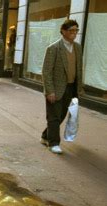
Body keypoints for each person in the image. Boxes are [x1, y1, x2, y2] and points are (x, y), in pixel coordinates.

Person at [41, 19, 83, 155]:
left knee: (62, 115)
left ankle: (45, 135)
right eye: (71, 30)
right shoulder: (53, 48)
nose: (74, 33)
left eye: (76, 30)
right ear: (63, 31)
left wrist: (79, 87)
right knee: (53, 116)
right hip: (55, 88)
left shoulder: (77, 47)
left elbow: (79, 69)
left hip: (71, 87)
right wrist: (49, 91)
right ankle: (53, 143)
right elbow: (46, 71)